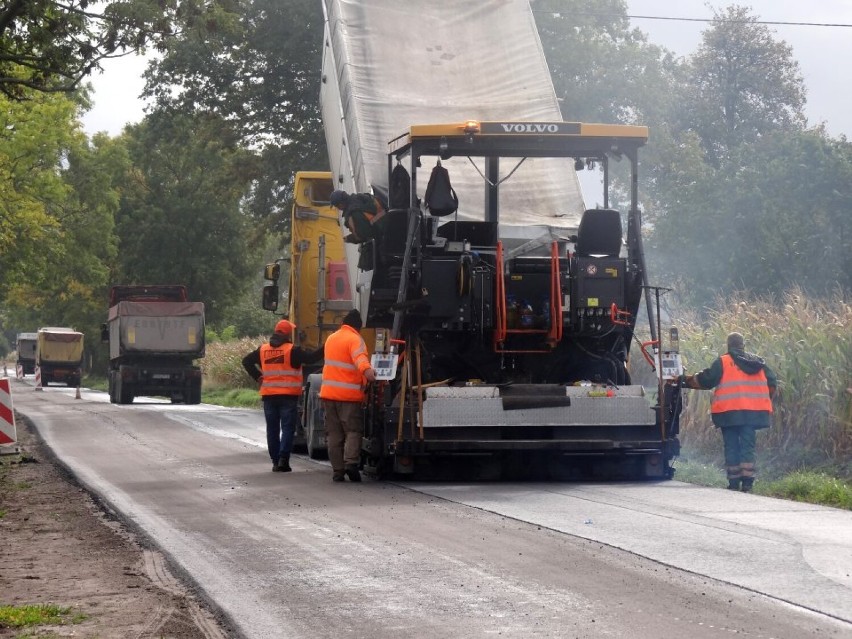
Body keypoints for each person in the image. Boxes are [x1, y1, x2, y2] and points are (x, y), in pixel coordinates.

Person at [681, 332, 778, 492]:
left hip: (729, 413)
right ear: (743, 346)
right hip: (753, 413)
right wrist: (765, 399)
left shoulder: (723, 362)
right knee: (748, 447)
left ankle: (733, 483)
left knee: (731, 446)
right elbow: (772, 382)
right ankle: (748, 483)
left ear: (728, 346)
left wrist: (684, 381)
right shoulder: (759, 363)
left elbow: (707, 380)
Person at [242, 319, 324, 473]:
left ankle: (275, 461)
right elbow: (312, 358)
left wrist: (258, 376)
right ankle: (283, 460)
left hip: (269, 396)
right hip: (287, 397)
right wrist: (326, 347)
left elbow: (246, 361)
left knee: (272, 429)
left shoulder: (263, 350)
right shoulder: (292, 350)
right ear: (287, 334)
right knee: (287, 428)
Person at [319, 309, 376, 482]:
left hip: (328, 395)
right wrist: (370, 373)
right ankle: (351, 464)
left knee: (334, 434)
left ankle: (338, 471)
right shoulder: (354, 339)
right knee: (352, 430)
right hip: (348, 396)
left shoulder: (331, 338)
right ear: (358, 326)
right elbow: (360, 360)